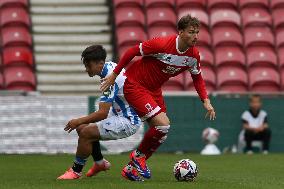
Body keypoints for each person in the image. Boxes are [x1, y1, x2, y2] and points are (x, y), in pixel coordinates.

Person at [101, 15, 216, 181]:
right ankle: (138, 156)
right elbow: (132, 51)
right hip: (135, 84)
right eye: (191, 32)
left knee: (162, 131)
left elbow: (197, 78)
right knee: (163, 124)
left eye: (197, 32)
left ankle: (130, 169)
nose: (196, 36)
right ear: (181, 32)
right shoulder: (162, 44)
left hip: (154, 90)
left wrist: (206, 100)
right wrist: (114, 74)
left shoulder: (193, 56)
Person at [57, 45, 143, 180]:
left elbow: (102, 113)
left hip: (128, 120)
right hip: (118, 112)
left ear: (100, 63)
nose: (86, 69)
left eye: (88, 66)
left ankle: (75, 171)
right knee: (82, 128)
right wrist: (80, 122)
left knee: (86, 132)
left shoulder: (109, 77)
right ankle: (99, 163)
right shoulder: (110, 67)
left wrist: (77, 120)